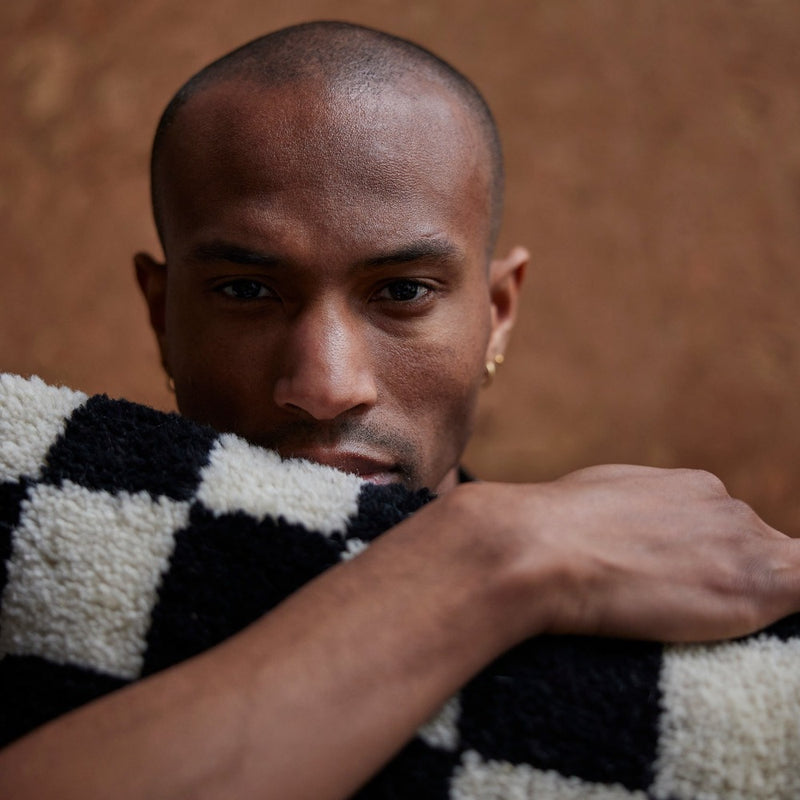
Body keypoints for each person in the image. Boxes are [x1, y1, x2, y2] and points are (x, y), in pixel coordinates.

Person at [2, 20, 799, 800]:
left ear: (499, 312)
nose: (325, 384)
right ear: (160, 314)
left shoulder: (684, 635)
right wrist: (487, 553)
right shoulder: (33, 546)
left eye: (403, 291)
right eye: (246, 290)